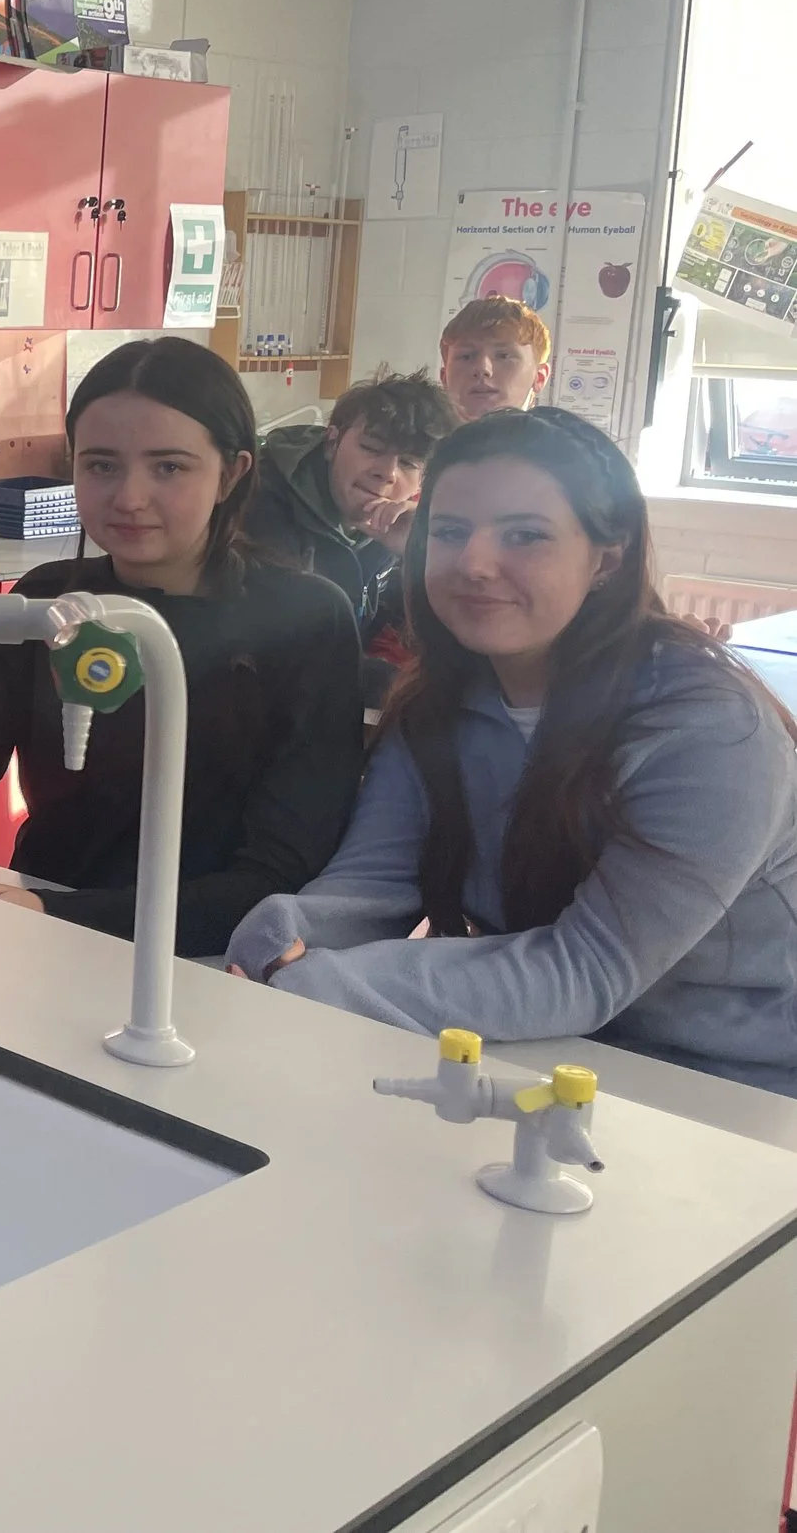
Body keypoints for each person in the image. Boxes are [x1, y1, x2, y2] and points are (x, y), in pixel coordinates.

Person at [224, 408, 797, 1094]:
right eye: (449, 531)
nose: (474, 563)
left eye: (525, 535)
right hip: (551, 1046)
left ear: (606, 559)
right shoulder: (437, 704)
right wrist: (284, 932)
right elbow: (371, 886)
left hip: (743, 1085)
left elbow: (588, 967)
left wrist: (322, 986)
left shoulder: (708, 729)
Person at [0, 338, 366, 959]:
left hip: (214, 960)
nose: (129, 498)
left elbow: (276, 879)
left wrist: (53, 913)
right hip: (42, 939)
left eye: (169, 468)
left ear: (231, 473)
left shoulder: (306, 618)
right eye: (102, 466)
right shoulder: (46, 603)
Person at [246, 371, 457, 709]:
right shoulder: (261, 507)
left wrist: (416, 553)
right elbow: (291, 655)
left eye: (408, 463)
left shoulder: (390, 524)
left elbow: (428, 630)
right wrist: (417, 689)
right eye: (372, 448)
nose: (387, 473)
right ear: (332, 442)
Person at [440, 296, 552, 421]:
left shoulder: (563, 433)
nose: (483, 369)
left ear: (539, 377)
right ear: (444, 378)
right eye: (466, 357)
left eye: (503, 356)